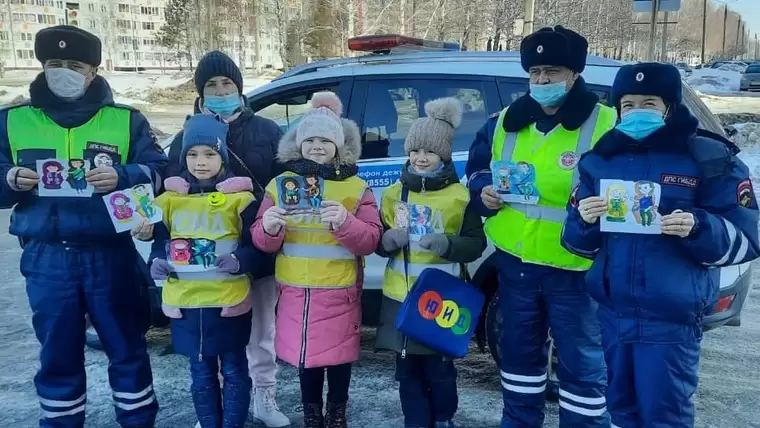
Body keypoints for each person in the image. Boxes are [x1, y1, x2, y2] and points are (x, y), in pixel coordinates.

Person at [562, 62, 760, 428]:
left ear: (669, 107)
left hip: (670, 320)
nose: (637, 112)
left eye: (649, 103)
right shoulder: (599, 161)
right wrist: (583, 220)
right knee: (621, 411)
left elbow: (747, 239)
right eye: (629, 104)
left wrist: (698, 226)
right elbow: (577, 246)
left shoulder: (708, 158)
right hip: (613, 315)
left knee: (664, 416)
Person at [0, 26, 165, 427]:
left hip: (110, 256)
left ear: (94, 70)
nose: (63, 72)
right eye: (54, 64)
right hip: (46, 257)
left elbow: (160, 172)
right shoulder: (13, 120)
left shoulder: (125, 120)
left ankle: (138, 421)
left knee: (127, 349)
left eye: (74, 65)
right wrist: (8, 179)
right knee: (57, 353)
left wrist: (123, 176)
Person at [464, 26, 618, 428]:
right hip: (516, 264)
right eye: (535, 72)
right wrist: (484, 192)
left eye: (551, 70)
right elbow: (478, 169)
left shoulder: (606, 123)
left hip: (576, 268)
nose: (542, 80)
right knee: (518, 359)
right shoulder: (504, 122)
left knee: (583, 366)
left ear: (574, 74)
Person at [165, 50, 289, 427]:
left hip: (257, 247)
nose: (220, 91)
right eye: (211, 85)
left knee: (262, 330)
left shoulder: (266, 130)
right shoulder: (185, 136)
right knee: (215, 334)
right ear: (200, 92)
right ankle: (219, 408)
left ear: (239, 88)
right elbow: (173, 194)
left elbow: (286, 184)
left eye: (227, 84)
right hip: (206, 262)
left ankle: (264, 397)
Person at [251, 91, 382, 428]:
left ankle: (336, 412)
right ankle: (311, 413)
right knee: (305, 359)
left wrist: (345, 222)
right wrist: (268, 227)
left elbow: (370, 239)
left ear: (339, 146)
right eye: (310, 140)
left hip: (339, 291)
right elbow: (262, 241)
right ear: (299, 144)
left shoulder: (355, 187)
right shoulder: (280, 185)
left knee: (338, 359)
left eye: (326, 140)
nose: (317, 146)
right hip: (295, 292)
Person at [144, 113, 267, 428]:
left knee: (236, 371)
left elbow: (259, 247)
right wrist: (155, 263)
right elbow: (160, 243)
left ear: (222, 156)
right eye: (193, 154)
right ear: (183, 157)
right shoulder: (168, 201)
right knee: (200, 374)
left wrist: (241, 260)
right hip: (185, 303)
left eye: (210, 154)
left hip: (227, 301)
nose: (201, 162)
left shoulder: (241, 199)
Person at [375, 97, 487, 428]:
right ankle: (416, 421)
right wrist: (386, 241)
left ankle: (442, 418)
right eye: (415, 152)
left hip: (441, 299)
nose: (421, 158)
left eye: (429, 152)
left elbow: (476, 244)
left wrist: (447, 244)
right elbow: (379, 240)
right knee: (406, 370)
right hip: (400, 297)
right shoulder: (394, 193)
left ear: (444, 155)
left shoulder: (460, 195)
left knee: (439, 370)